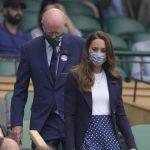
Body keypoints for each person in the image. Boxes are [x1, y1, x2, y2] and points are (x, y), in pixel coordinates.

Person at [11, 8, 84, 150]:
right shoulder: (29, 49)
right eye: (51, 32)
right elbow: (20, 90)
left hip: (72, 119)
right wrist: (16, 123)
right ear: (43, 26)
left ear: (64, 26)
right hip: (43, 121)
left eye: (58, 32)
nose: (55, 36)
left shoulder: (79, 45)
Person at [64, 31, 136, 150]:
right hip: (86, 136)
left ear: (108, 53)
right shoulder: (74, 76)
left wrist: (132, 145)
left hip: (109, 134)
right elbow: (69, 115)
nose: (99, 53)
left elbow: (120, 114)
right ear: (87, 50)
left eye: (103, 50)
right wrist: (71, 147)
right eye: (95, 49)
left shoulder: (115, 78)